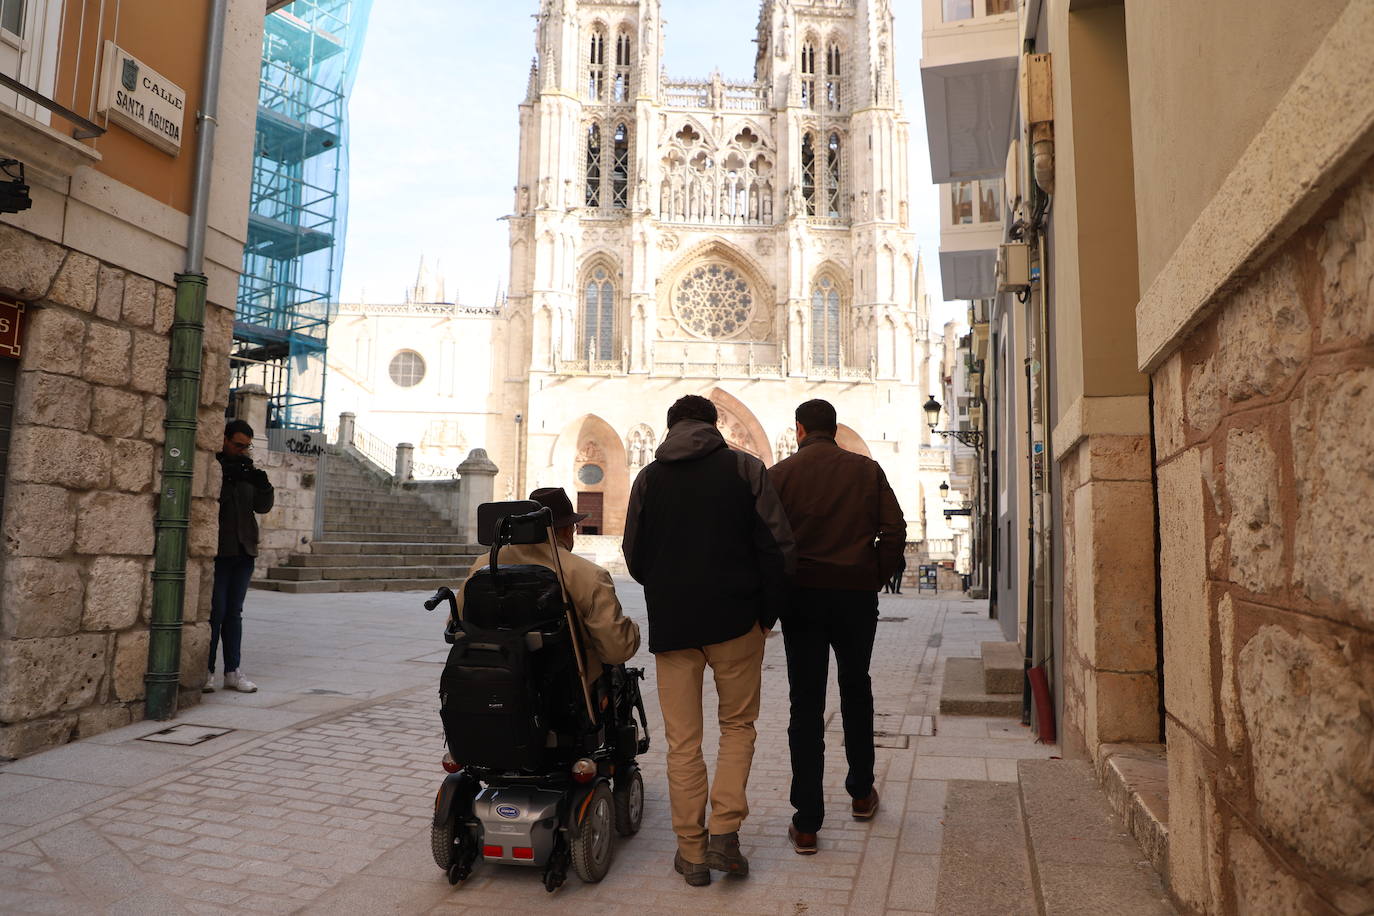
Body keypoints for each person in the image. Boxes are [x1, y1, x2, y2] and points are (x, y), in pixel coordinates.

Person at [623, 395, 795, 887]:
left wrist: (667, 588)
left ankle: (692, 853)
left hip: (674, 628)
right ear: (714, 423)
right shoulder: (746, 468)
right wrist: (766, 614)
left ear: (672, 426)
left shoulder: (648, 478)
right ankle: (724, 833)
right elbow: (778, 546)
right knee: (738, 725)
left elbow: (634, 555)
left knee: (683, 743)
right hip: (738, 622)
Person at [768, 399, 906, 855]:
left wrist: (779, 590)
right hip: (854, 597)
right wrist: (874, 574)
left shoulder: (780, 474)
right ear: (835, 429)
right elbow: (895, 529)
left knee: (805, 704)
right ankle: (861, 792)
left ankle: (807, 822)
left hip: (802, 598)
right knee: (856, 688)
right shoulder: (866, 470)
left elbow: (764, 540)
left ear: (800, 428)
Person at [455, 487, 639, 699]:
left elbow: (457, 623)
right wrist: (631, 631)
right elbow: (616, 650)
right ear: (565, 530)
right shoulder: (587, 574)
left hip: (492, 684)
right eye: (573, 527)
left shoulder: (484, 564)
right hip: (565, 697)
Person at [206, 419, 275, 694]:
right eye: (238, 445)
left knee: (234, 613)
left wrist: (263, 484)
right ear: (223, 440)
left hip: (244, 549)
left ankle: (232, 671)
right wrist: (227, 476)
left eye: (247, 447)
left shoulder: (246, 470)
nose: (243, 451)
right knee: (215, 612)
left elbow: (263, 506)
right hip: (220, 550)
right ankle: (206, 670)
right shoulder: (214, 467)